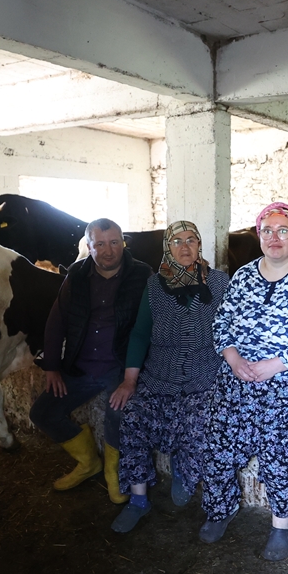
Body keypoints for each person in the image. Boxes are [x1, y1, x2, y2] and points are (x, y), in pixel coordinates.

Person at [199, 202, 288, 561]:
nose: (274, 238)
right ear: (258, 235)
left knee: (278, 438)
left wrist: (274, 365)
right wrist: (233, 357)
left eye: (283, 231)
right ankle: (220, 509)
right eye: (267, 231)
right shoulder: (243, 276)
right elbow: (222, 322)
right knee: (217, 434)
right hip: (241, 375)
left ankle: (280, 523)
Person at [109, 221, 231, 532]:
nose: (185, 246)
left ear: (199, 245)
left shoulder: (219, 283)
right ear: (168, 247)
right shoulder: (154, 286)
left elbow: (234, 329)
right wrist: (129, 381)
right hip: (160, 374)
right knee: (132, 417)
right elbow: (139, 334)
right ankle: (138, 500)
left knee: (200, 421)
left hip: (204, 374)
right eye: (177, 241)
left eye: (191, 239)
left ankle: (183, 473)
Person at [30, 218, 152, 504]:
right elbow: (56, 321)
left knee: (118, 413)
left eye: (114, 243)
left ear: (123, 242)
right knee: (43, 413)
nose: (108, 251)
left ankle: (113, 472)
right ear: (89, 246)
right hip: (80, 365)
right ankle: (88, 463)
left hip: (119, 366)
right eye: (100, 244)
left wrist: (132, 377)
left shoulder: (143, 275)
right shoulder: (76, 274)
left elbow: (150, 326)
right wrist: (52, 367)